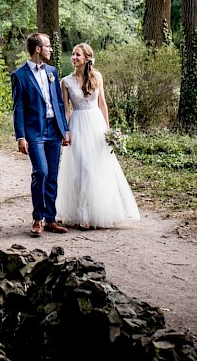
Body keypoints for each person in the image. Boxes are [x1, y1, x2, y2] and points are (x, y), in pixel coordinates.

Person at [55, 43, 140, 229]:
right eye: (73, 54)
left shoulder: (97, 77)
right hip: (77, 125)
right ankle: (82, 214)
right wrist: (66, 131)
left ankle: (102, 211)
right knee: (81, 169)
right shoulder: (65, 82)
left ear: (87, 58)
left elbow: (102, 104)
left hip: (96, 125)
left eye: (78, 55)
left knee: (99, 168)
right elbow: (66, 110)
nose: (74, 57)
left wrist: (108, 131)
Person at [12, 32, 70, 237]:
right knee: (41, 172)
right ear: (38, 49)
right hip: (34, 132)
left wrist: (65, 129)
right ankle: (38, 218)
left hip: (54, 129)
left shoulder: (52, 72)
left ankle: (50, 219)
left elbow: (59, 103)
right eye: (48, 46)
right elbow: (18, 108)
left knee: (53, 174)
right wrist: (20, 136)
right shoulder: (19, 76)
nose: (51, 49)